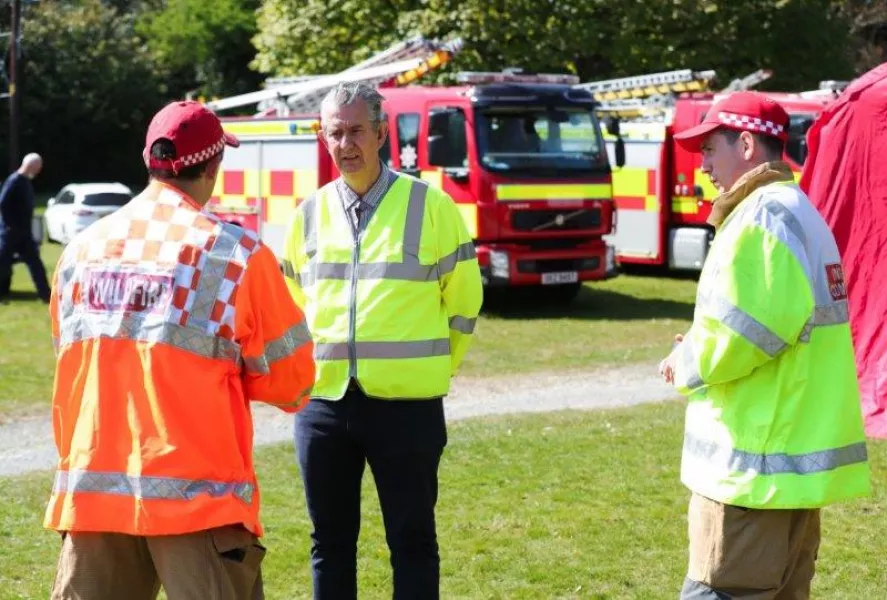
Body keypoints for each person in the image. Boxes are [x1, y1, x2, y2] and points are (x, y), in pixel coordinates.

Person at [45, 100, 316, 600]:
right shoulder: (235, 253)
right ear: (213, 166)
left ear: (148, 159)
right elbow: (293, 382)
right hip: (199, 503)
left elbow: (72, 357)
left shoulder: (79, 251)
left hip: (93, 499)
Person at [659, 91, 871, 599]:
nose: (704, 165)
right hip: (785, 476)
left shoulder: (761, 217)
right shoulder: (798, 212)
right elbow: (773, 324)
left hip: (749, 477)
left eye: (711, 149)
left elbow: (742, 335)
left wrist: (684, 360)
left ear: (747, 144)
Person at [282, 82, 483, 599]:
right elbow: (289, 308)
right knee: (329, 542)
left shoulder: (432, 208)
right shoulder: (307, 214)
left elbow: (464, 306)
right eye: (334, 133)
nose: (345, 144)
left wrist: (432, 370)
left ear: (381, 133)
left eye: (355, 131)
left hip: (408, 408)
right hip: (323, 406)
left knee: (412, 541)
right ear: (322, 137)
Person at [0, 152, 51, 303]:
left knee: (36, 265)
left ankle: (46, 295)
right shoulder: (14, 181)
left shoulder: (25, 182)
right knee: (2, 265)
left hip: (24, 234)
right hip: (11, 233)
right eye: (38, 168)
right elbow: (2, 203)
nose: (38, 171)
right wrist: (10, 225)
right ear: (31, 165)